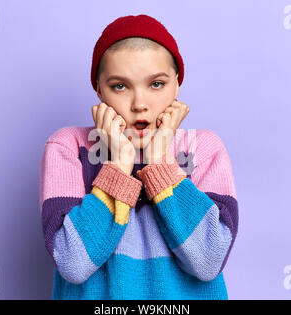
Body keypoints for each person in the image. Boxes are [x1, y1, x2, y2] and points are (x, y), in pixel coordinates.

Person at [39, 14, 239, 300]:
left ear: (177, 84)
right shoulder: (68, 146)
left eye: (156, 84)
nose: (140, 104)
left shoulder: (203, 149)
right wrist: (119, 164)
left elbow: (207, 262)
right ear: (98, 89)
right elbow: (74, 263)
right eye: (120, 86)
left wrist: (160, 163)